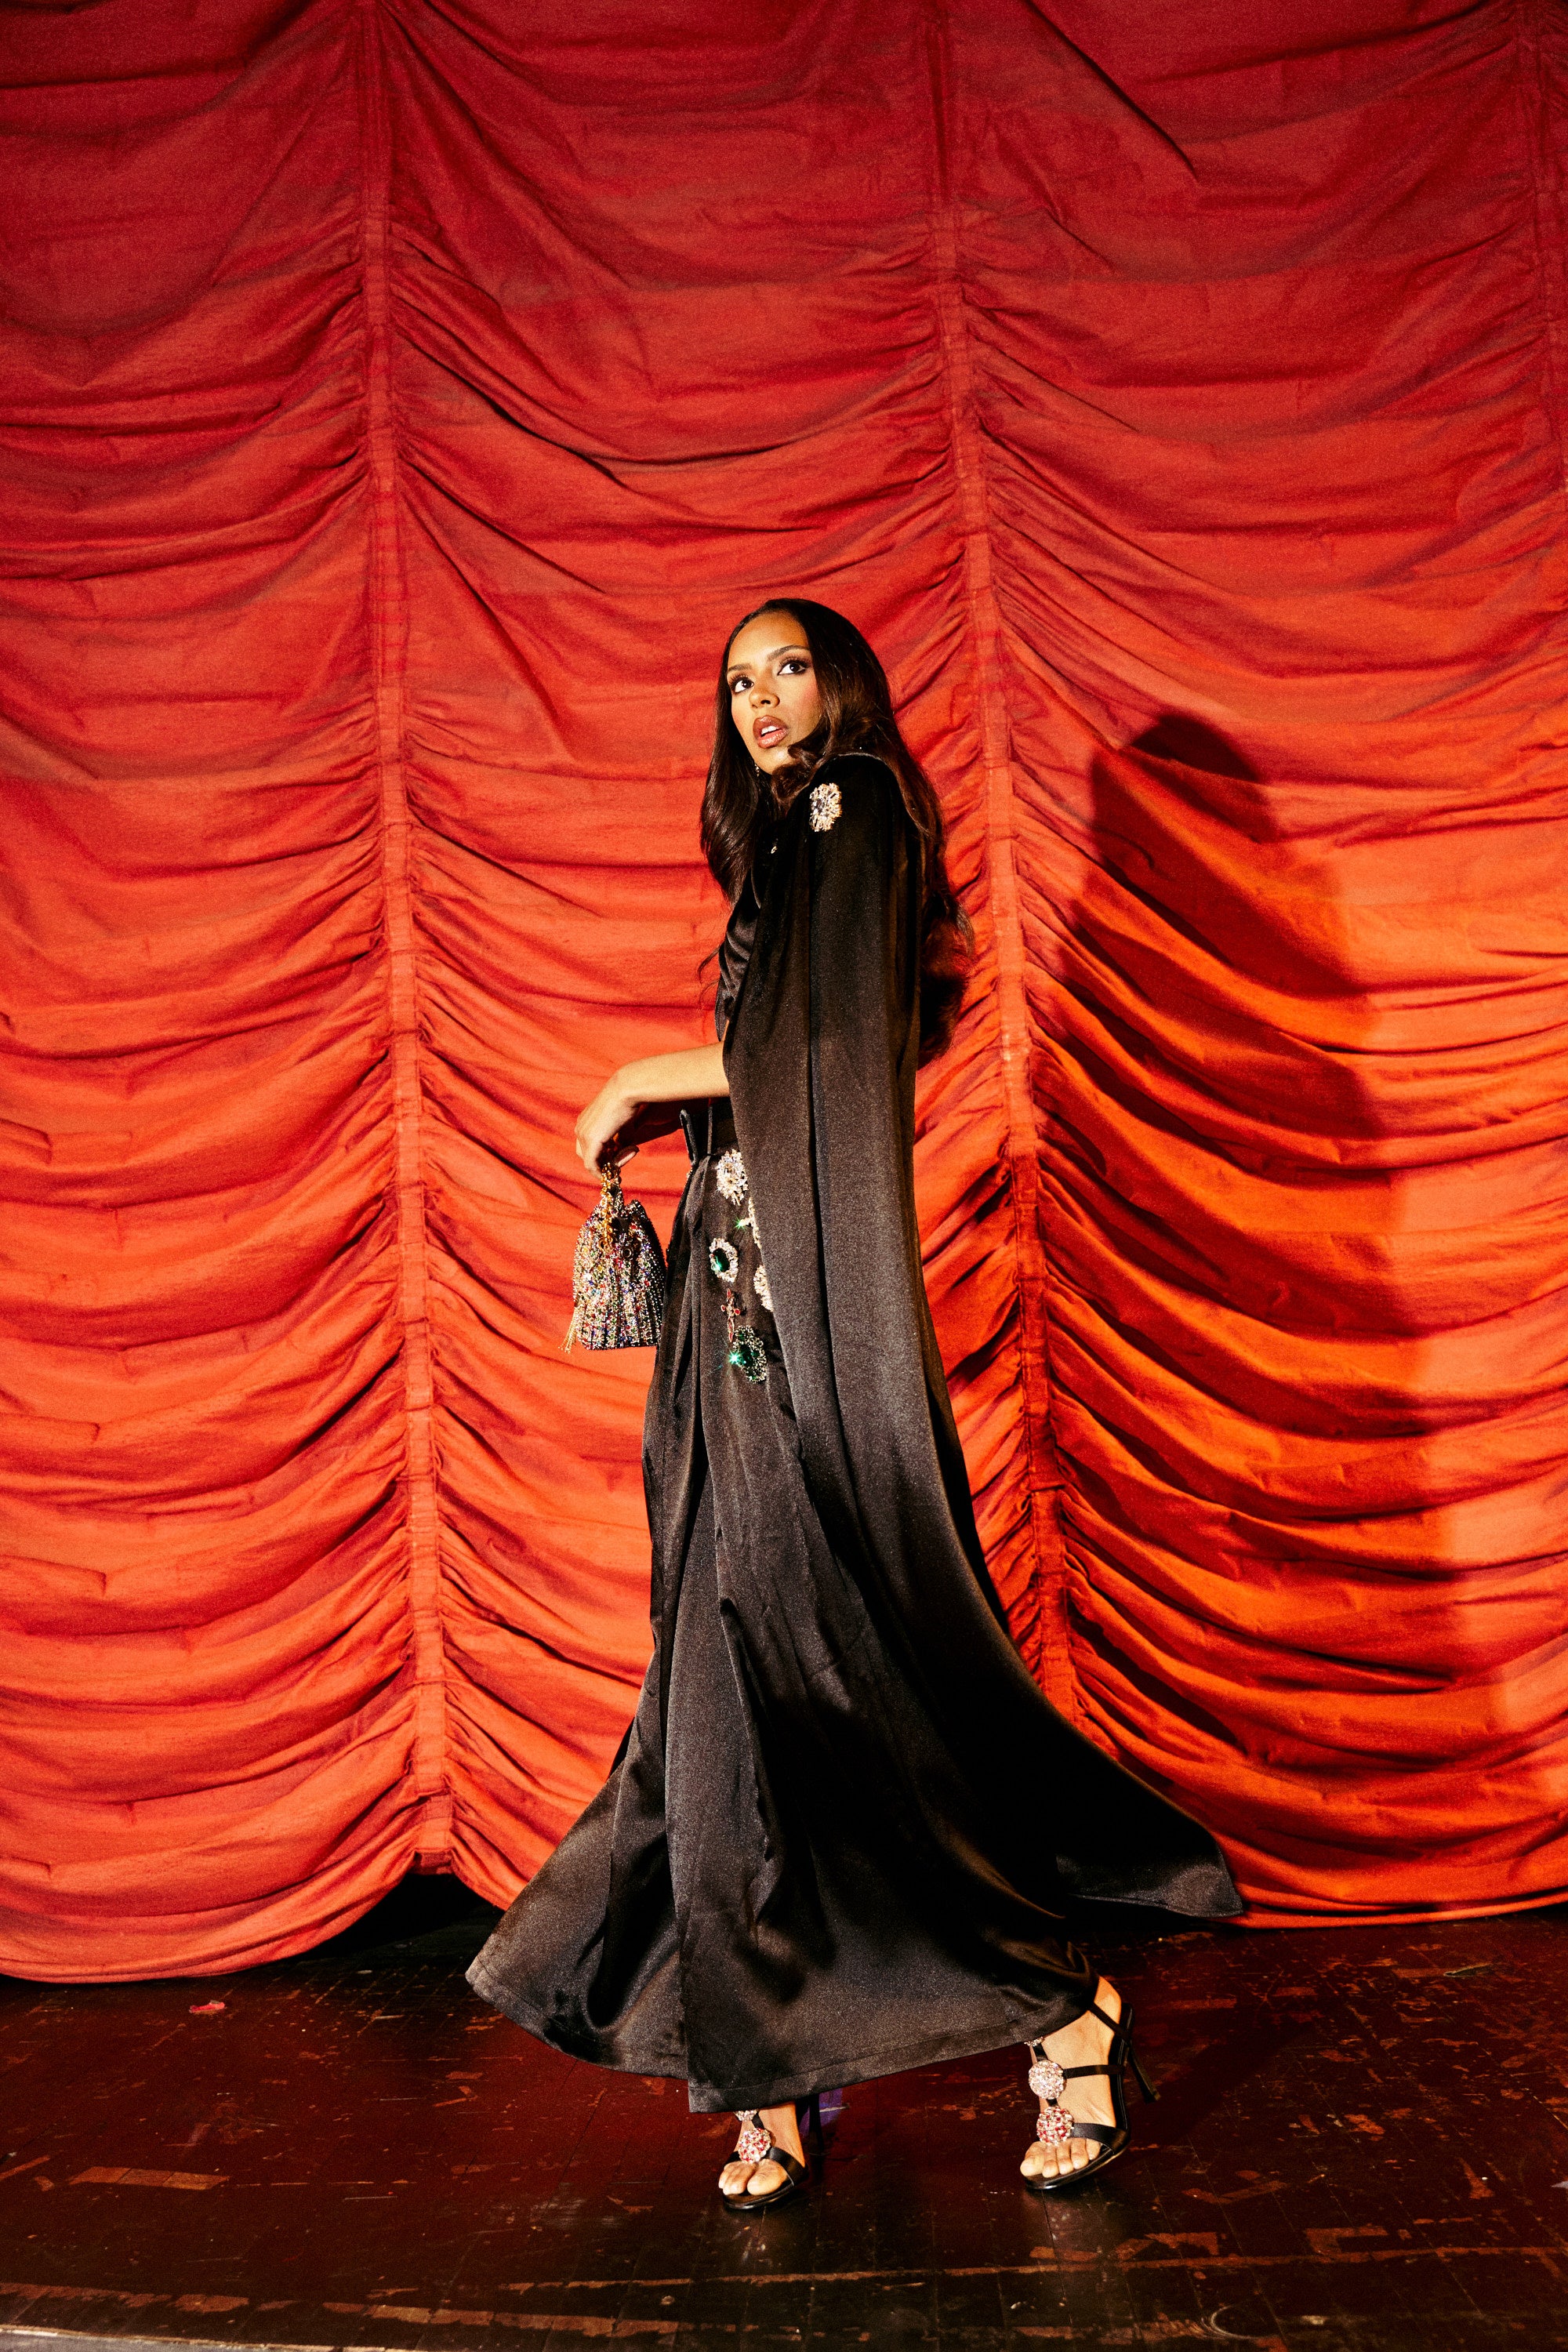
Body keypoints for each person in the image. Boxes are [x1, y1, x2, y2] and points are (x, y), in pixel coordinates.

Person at [467, 599, 1240, 2208]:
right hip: (727, 1299)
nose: (758, 702)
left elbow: (825, 1057)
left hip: (778, 1319)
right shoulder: (791, 849)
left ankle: (1061, 2009)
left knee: (828, 1673)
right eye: (733, 680)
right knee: (724, 1677)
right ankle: (771, 2060)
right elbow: (794, 1046)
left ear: (845, 684)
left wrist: (642, 1079)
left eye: (785, 669)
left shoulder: (854, 805)